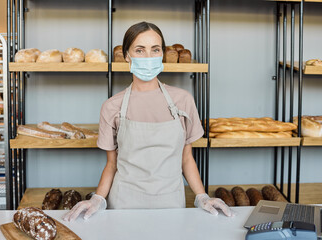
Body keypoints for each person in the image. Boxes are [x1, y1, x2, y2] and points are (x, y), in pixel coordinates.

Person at [63, 21, 232, 221]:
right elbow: (112, 164)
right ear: (127, 55)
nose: (148, 57)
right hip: (124, 206)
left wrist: (202, 197)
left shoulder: (183, 100)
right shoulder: (112, 106)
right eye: (140, 50)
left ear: (162, 54)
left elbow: (186, 158)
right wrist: (98, 199)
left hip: (172, 206)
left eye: (155, 49)